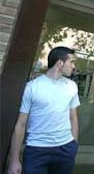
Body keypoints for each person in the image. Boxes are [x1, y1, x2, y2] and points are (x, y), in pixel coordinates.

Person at [7, 46, 80, 174]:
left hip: (66, 149)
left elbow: (73, 117)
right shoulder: (32, 87)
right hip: (37, 150)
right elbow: (21, 124)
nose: (73, 66)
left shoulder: (72, 86)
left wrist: (74, 144)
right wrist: (14, 160)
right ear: (60, 63)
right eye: (71, 62)